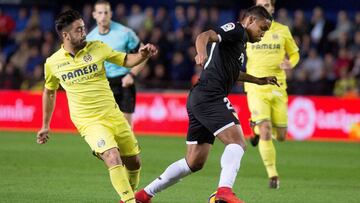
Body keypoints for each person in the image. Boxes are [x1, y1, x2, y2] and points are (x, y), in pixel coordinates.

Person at [136, 6, 276, 203]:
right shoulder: (236, 30)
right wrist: (200, 53)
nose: (262, 34)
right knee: (237, 142)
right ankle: (224, 191)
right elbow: (205, 35)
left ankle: (144, 195)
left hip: (200, 97)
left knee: (194, 162)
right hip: (211, 95)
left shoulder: (240, 43)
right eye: (262, 28)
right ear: (251, 20)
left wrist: (258, 80)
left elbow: (232, 73)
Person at [36, 9, 157, 203]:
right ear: (65, 35)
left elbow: (126, 60)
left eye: (84, 28)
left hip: (112, 114)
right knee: (112, 155)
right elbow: (49, 92)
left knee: (134, 162)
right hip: (88, 121)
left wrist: (142, 55)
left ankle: (127, 195)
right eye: (78, 30)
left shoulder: (98, 47)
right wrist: (45, 125)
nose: (84, 32)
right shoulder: (53, 63)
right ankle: (129, 201)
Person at [245, 0, 300, 189]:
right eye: (261, 4)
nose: (265, 7)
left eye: (268, 4)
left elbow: (294, 54)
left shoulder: (282, 30)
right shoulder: (248, 29)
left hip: (278, 85)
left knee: (282, 135)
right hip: (255, 85)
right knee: (267, 129)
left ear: (273, 7)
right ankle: (273, 175)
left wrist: (291, 63)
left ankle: (255, 130)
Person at [87, 0, 146, 128]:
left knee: (126, 129)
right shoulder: (90, 39)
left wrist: (132, 75)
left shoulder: (125, 33)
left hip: (124, 81)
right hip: (103, 84)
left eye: (106, 12)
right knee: (103, 128)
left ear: (111, 14)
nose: (103, 16)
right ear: (94, 15)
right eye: (100, 12)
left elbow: (144, 55)